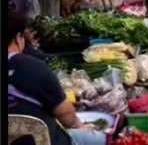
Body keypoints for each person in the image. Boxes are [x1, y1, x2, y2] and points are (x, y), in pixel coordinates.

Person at [8, 10, 104, 145]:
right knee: (98, 139)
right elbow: (66, 116)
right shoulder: (32, 67)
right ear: (18, 37)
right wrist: (80, 125)